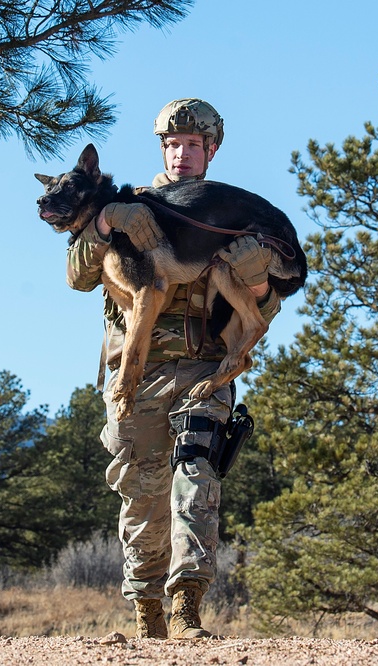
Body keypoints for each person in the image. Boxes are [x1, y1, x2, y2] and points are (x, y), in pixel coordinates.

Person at [66, 98, 282, 639]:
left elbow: (263, 301)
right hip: (134, 378)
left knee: (197, 476)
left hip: (205, 370)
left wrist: (257, 275)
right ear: (162, 148)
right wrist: (108, 221)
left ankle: (187, 606)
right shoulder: (127, 205)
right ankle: (148, 612)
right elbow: (75, 272)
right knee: (141, 491)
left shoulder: (229, 215)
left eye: (192, 145)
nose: (181, 154)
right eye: (172, 144)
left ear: (211, 150)